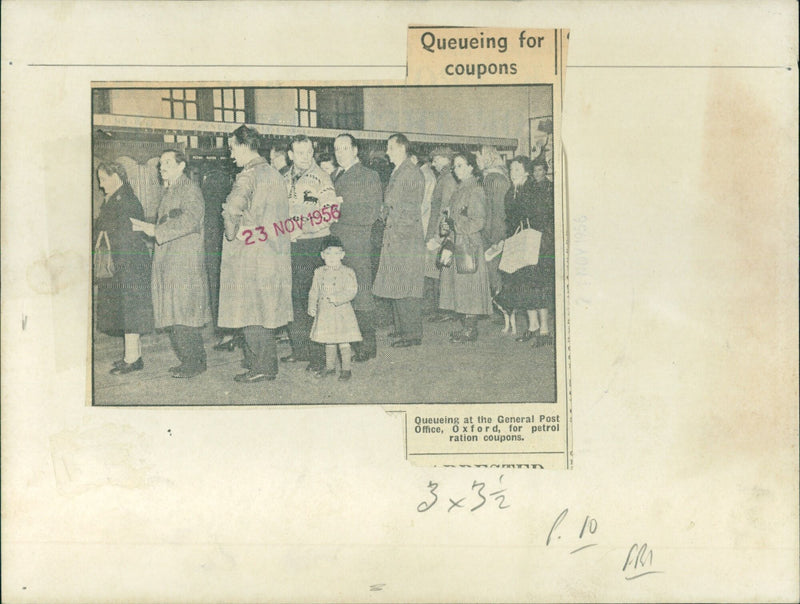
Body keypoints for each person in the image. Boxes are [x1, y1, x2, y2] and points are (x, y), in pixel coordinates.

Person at [217, 125, 293, 382]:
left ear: (242, 146)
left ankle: (261, 368)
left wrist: (232, 233)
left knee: (250, 311)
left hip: (250, 255)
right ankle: (262, 362)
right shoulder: (274, 173)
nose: (231, 155)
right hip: (274, 252)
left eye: (232, 148)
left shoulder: (247, 175)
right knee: (266, 310)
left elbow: (231, 211)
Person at [132, 149, 211, 378]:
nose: (161, 167)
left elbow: (190, 220)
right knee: (176, 314)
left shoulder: (189, 189)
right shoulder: (170, 190)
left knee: (183, 314)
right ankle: (191, 360)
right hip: (171, 261)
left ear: (181, 166)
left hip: (183, 262)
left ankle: (194, 363)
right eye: (160, 164)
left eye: (167, 162)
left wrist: (155, 230)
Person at [282, 134, 339, 371]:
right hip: (290, 245)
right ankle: (300, 349)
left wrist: (300, 228)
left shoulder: (321, 178)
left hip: (313, 244)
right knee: (293, 299)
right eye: (300, 153)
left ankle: (319, 358)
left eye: (309, 152)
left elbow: (330, 214)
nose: (305, 157)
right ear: (291, 155)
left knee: (313, 301)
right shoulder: (284, 177)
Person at [95, 161, 153, 374]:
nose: (101, 185)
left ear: (115, 177)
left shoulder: (125, 200)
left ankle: (133, 359)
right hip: (123, 264)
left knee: (130, 313)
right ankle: (133, 356)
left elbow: (127, 235)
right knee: (127, 313)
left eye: (103, 179)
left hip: (129, 265)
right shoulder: (117, 198)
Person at [330, 133, 383, 362]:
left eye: (344, 148)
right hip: (336, 243)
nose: (339, 152)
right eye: (336, 149)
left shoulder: (368, 176)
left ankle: (367, 347)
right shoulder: (334, 175)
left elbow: (370, 214)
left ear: (355, 150)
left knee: (361, 295)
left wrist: (338, 212)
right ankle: (347, 343)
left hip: (358, 243)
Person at [372, 133, 426, 348]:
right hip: (396, 236)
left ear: (402, 148)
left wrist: (396, 231)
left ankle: (412, 334)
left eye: (390, 148)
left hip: (405, 239)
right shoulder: (400, 171)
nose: (387, 152)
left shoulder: (410, 172)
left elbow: (411, 210)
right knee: (397, 284)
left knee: (408, 287)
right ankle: (402, 328)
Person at [495, 155, 555, 346]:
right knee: (525, 286)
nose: (513, 174)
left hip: (536, 243)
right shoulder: (511, 192)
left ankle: (545, 331)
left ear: (527, 172)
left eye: (518, 170)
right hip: (520, 242)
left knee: (538, 286)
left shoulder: (534, 190)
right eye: (511, 170)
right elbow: (510, 220)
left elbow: (541, 217)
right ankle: (532, 327)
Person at [436, 152, 492, 342]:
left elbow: (478, 222)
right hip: (457, 241)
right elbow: (453, 217)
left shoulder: (475, 189)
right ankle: (467, 328)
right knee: (462, 288)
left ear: (470, 168)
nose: (456, 169)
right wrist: (446, 227)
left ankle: (470, 330)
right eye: (455, 166)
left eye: (460, 165)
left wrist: (455, 225)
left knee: (469, 288)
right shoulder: (460, 189)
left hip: (469, 244)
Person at [308, 235, 362, 381]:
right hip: (325, 313)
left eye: (336, 253)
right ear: (322, 255)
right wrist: (312, 305)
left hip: (342, 313)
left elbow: (352, 290)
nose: (332, 257)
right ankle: (330, 367)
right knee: (329, 341)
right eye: (328, 253)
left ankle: (346, 369)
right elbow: (314, 291)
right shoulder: (319, 272)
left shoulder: (348, 272)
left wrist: (338, 298)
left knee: (344, 341)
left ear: (342, 255)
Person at [423, 146, 457, 321]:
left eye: (436, 160)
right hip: (436, 232)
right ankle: (439, 309)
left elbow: (445, 212)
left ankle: (444, 311)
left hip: (440, 234)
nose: (433, 163)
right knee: (434, 272)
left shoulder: (447, 180)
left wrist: (437, 238)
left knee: (438, 272)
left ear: (445, 159)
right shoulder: (443, 179)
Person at [475, 145, 511, 296]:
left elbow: (495, 210)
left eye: (478, 157)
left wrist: (494, 237)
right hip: (498, 231)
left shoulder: (491, 179)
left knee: (493, 275)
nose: (477, 161)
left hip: (491, 234)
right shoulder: (500, 176)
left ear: (487, 158)